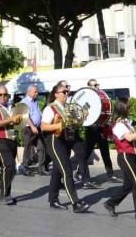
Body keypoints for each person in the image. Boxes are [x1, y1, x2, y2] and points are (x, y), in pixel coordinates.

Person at [40, 83, 89, 213]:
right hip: (55, 142)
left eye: (68, 92)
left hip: (66, 141)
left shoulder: (68, 107)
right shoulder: (50, 108)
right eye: (64, 92)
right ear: (56, 94)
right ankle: (76, 203)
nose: (67, 94)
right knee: (67, 171)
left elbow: (75, 125)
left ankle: (53, 200)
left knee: (57, 173)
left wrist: (82, 117)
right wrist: (59, 126)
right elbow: (43, 127)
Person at [0, 87, 23, 205]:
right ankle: (6, 195)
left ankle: (4, 194)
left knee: (7, 168)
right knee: (9, 165)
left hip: (12, 139)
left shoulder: (12, 107)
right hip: (0, 139)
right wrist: (11, 119)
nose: (2, 97)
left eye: (5, 95)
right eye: (0, 95)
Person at [79, 80, 119, 184]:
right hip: (91, 129)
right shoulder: (86, 98)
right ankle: (79, 172)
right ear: (88, 86)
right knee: (87, 152)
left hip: (101, 127)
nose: (97, 87)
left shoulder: (100, 97)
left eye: (97, 85)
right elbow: (84, 111)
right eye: (94, 85)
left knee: (105, 152)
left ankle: (110, 175)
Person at [20, 85, 46, 177]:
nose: (37, 93)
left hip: (37, 128)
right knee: (27, 148)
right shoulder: (24, 102)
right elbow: (25, 116)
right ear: (29, 92)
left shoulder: (36, 102)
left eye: (37, 92)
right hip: (29, 129)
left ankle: (41, 169)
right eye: (35, 92)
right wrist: (32, 126)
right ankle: (26, 168)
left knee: (41, 147)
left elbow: (39, 113)